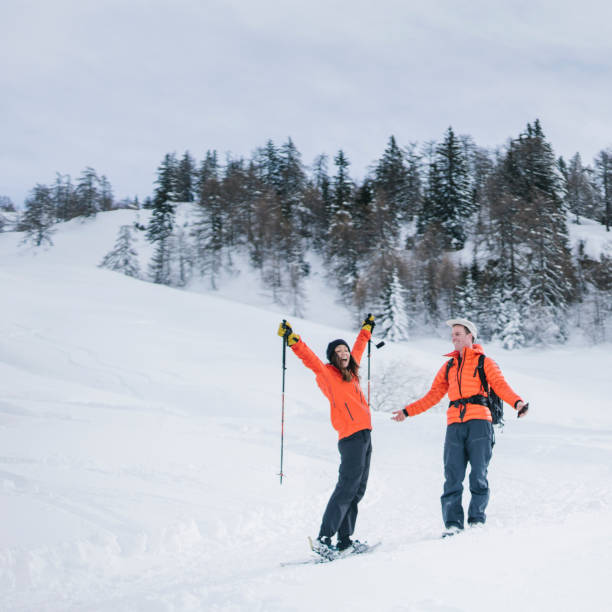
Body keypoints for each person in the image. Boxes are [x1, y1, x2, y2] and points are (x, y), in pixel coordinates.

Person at [392, 318, 528, 537]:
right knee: (452, 475)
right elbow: (433, 395)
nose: (453, 337)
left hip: (479, 423)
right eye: (452, 334)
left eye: (458, 333)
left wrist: (517, 403)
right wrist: (408, 411)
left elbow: (501, 386)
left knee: (478, 473)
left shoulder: (485, 362)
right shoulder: (448, 366)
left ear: (470, 336)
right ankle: (453, 524)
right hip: (454, 424)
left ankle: (476, 520)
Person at [277, 315, 375, 558]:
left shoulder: (352, 371)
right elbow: (310, 359)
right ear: (333, 357)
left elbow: (360, 347)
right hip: (350, 438)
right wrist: (293, 340)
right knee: (346, 488)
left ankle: (344, 541)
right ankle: (324, 538)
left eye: (345, 350)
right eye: (338, 351)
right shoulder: (328, 374)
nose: (344, 353)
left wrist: (366, 330)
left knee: (357, 490)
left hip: (365, 436)